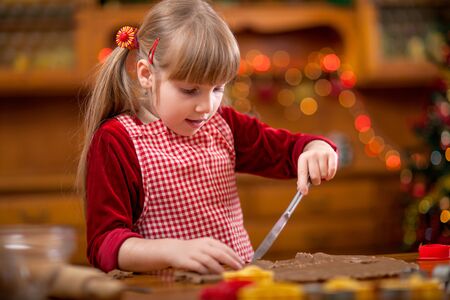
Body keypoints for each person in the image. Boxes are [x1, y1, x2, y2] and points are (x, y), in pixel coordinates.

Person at [77, 0, 338, 275]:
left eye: (217, 89)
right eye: (190, 90)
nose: (206, 107)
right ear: (146, 74)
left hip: (234, 287)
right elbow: (104, 243)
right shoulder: (117, 141)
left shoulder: (224, 124)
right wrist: (171, 250)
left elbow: (289, 150)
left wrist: (315, 147)